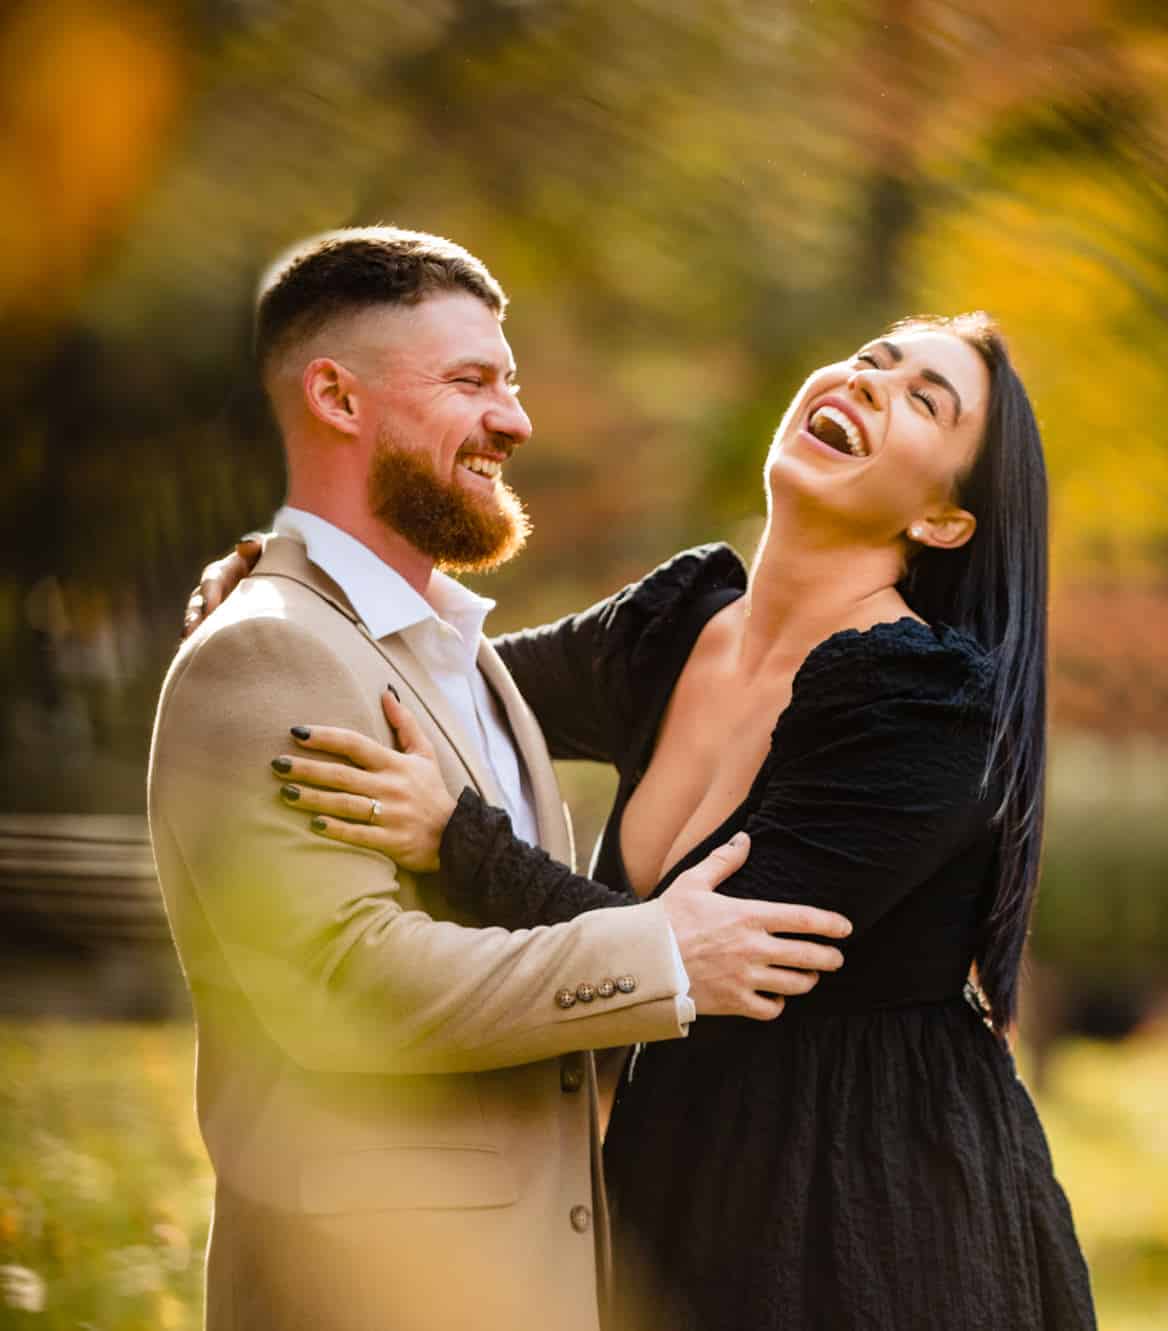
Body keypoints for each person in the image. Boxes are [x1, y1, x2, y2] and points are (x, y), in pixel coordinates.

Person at [197, 309, 1097, 1327]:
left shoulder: (919, 706)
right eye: (868, 358)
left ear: (941, 520)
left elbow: (706, 968)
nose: (868, 381)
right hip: (669, 1172)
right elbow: (441, 684)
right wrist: (306, 589)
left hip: (866, 1204)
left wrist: (461, 840)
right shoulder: (675, 626)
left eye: (923, 400)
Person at [152, 226, 854, 1331]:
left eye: (511, 382)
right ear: (336, 396)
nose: (515, 421)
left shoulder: (460, 655)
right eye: (470, 381)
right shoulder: (265, 650)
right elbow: (346, 985)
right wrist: (662, 950)